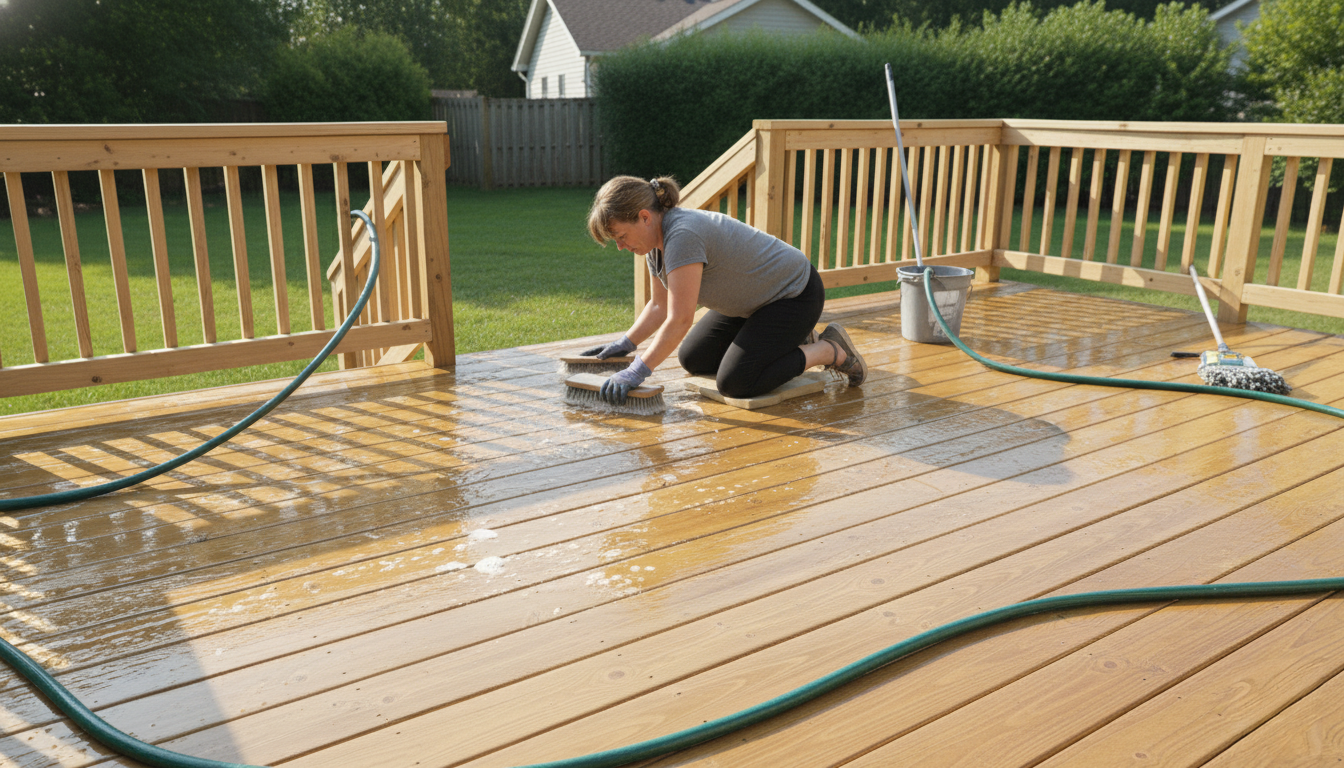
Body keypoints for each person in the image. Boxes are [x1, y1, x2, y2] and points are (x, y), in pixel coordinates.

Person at [582, 175, 867, 404]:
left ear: (644, 217)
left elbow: (680, 319)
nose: (621, 246)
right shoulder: (653, 246)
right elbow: (660, 306)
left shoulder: (682, 235)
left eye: (620, 236)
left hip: (793, 295)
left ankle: (830, 350)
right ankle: (795, 340)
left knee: (737, 383)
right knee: (694, 359)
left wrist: (636, 371)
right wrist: (625, 344)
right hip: (752, 303)